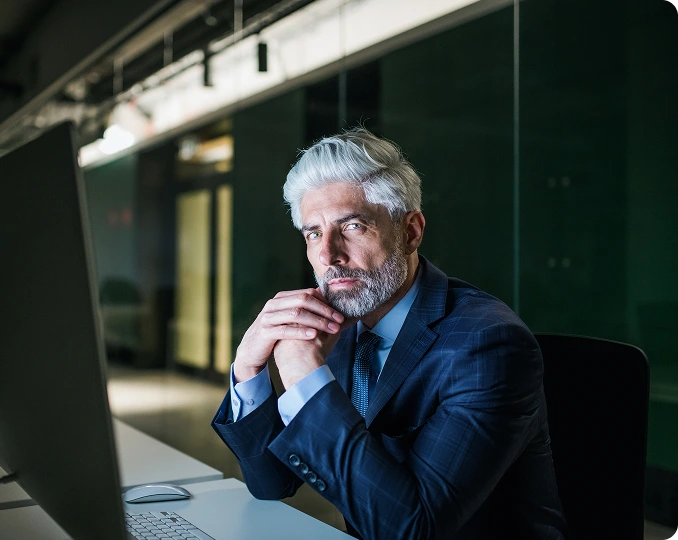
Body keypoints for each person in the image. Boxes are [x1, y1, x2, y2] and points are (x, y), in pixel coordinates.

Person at [211, 128, 567, 539]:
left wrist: (302, 372)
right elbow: (272, 482)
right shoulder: (345, 324)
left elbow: (411, 529)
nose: (328, 255)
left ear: (410, 231)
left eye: (353, 226)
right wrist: (248, 368)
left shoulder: (489, 345)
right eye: (313, 233)